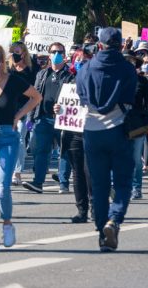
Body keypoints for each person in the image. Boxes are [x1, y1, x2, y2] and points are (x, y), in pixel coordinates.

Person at [0, 45, 41, 251]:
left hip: (7, 137)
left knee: (1, 187)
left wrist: (18, 116)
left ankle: (8, 224)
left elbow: (36, 97)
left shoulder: (13, 81)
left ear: (1, 64)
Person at [76, 28, 138, 252]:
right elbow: (131, 98)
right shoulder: (127, 69)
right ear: (121, 45)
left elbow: (81, 98)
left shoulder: (85, 69)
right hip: (119, 130)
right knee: (122, 182)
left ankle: (103, 231)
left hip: (92, 131)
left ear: (99, 45)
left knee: (99, 186)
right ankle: (115, 219)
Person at [22, 42, 75, 194]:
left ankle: (63, 183)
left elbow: (74, 98)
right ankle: (38, 182)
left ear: (64, 55)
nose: (56, 54)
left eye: (59, 51)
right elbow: (35, 96)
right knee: (41, 151)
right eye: (53, 51)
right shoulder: (42, 74)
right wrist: (31, 117)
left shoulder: (70, 76)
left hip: (62, 120)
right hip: (43, 118)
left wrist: (63, 107)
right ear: (49, 54)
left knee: (64, 151)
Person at [56, 48, 93, 224]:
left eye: (84, 60)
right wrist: (56, 108)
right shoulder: (68, 80)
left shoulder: (96, 80)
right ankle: (81, 210)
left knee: (89, 170)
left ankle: (95, 206)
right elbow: (57, 102)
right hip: (72, 131)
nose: (80, 63)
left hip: (91, 131)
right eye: (77, 60)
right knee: (77, 172)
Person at [121, 50, 148, 201]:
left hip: (137, 124)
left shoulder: (143, 81)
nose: (128, 63)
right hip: (118, 123)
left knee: (135, 159)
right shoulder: (114, 80)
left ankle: (136, 188)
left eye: (131, 61)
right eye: (125, 60)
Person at [8, 41, 38, 185]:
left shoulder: (32, 70)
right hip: (8, 110)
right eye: (12, 51)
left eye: (17, 51)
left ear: (24, 53)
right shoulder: (6, 69)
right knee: (10, 140)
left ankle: (17, 172)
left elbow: (36, 93)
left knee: (20, 140)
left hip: (26, 110)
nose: (14, 54)